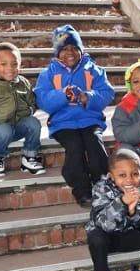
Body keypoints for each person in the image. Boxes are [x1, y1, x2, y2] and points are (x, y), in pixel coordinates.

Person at [35, 24, 114, 208]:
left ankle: (102, 183)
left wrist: (89, 96)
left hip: (90, 119)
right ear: (57, 52)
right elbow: (42, 99)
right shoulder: (48, 74)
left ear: (81, 50)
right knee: (75, 146)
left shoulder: (93, 69)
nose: (69, 52)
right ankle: (82, 190)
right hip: (63, 123)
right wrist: (63, 95)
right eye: (64, 49)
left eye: (74, 48)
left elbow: (107, 92)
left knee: (94, 143)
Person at [0, 41, 45, 177]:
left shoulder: (23, 82)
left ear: (20, 65)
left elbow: (32, 101)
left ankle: (29, 157)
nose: (10, 68)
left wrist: (30, 110)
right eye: (3, 64)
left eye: (15, 64)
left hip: (17, 127)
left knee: (33, 123)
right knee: (4, 129)